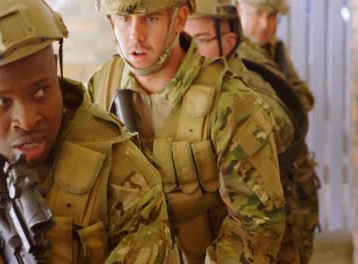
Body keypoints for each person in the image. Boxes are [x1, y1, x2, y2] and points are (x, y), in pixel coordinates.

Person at [0, 0, 174, 263]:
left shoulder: (124, 172)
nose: (28, 120)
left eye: (41, 91)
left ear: (55, 68)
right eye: (2, 102)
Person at [88, 0, 291, 262]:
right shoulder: (101, 87)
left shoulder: (230, 103)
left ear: (179, 19)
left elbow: (258, 223)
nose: (134, 36)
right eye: (124, 18)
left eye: (151, 18)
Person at [184, 1, 314, 263]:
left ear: (229, 40)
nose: (266, 24)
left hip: (272, 217)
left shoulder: (249, 71)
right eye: (260, 14)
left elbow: (295, 110)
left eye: (200, 40)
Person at [236, 0, 320, 262]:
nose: (266, 24)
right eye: (259, 13)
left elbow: (305, 99)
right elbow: (281, 113)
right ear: (239, 8)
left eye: (272, 16)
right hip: (269, 180)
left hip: (295, 179)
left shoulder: (274, 50)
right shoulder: (237, 56)